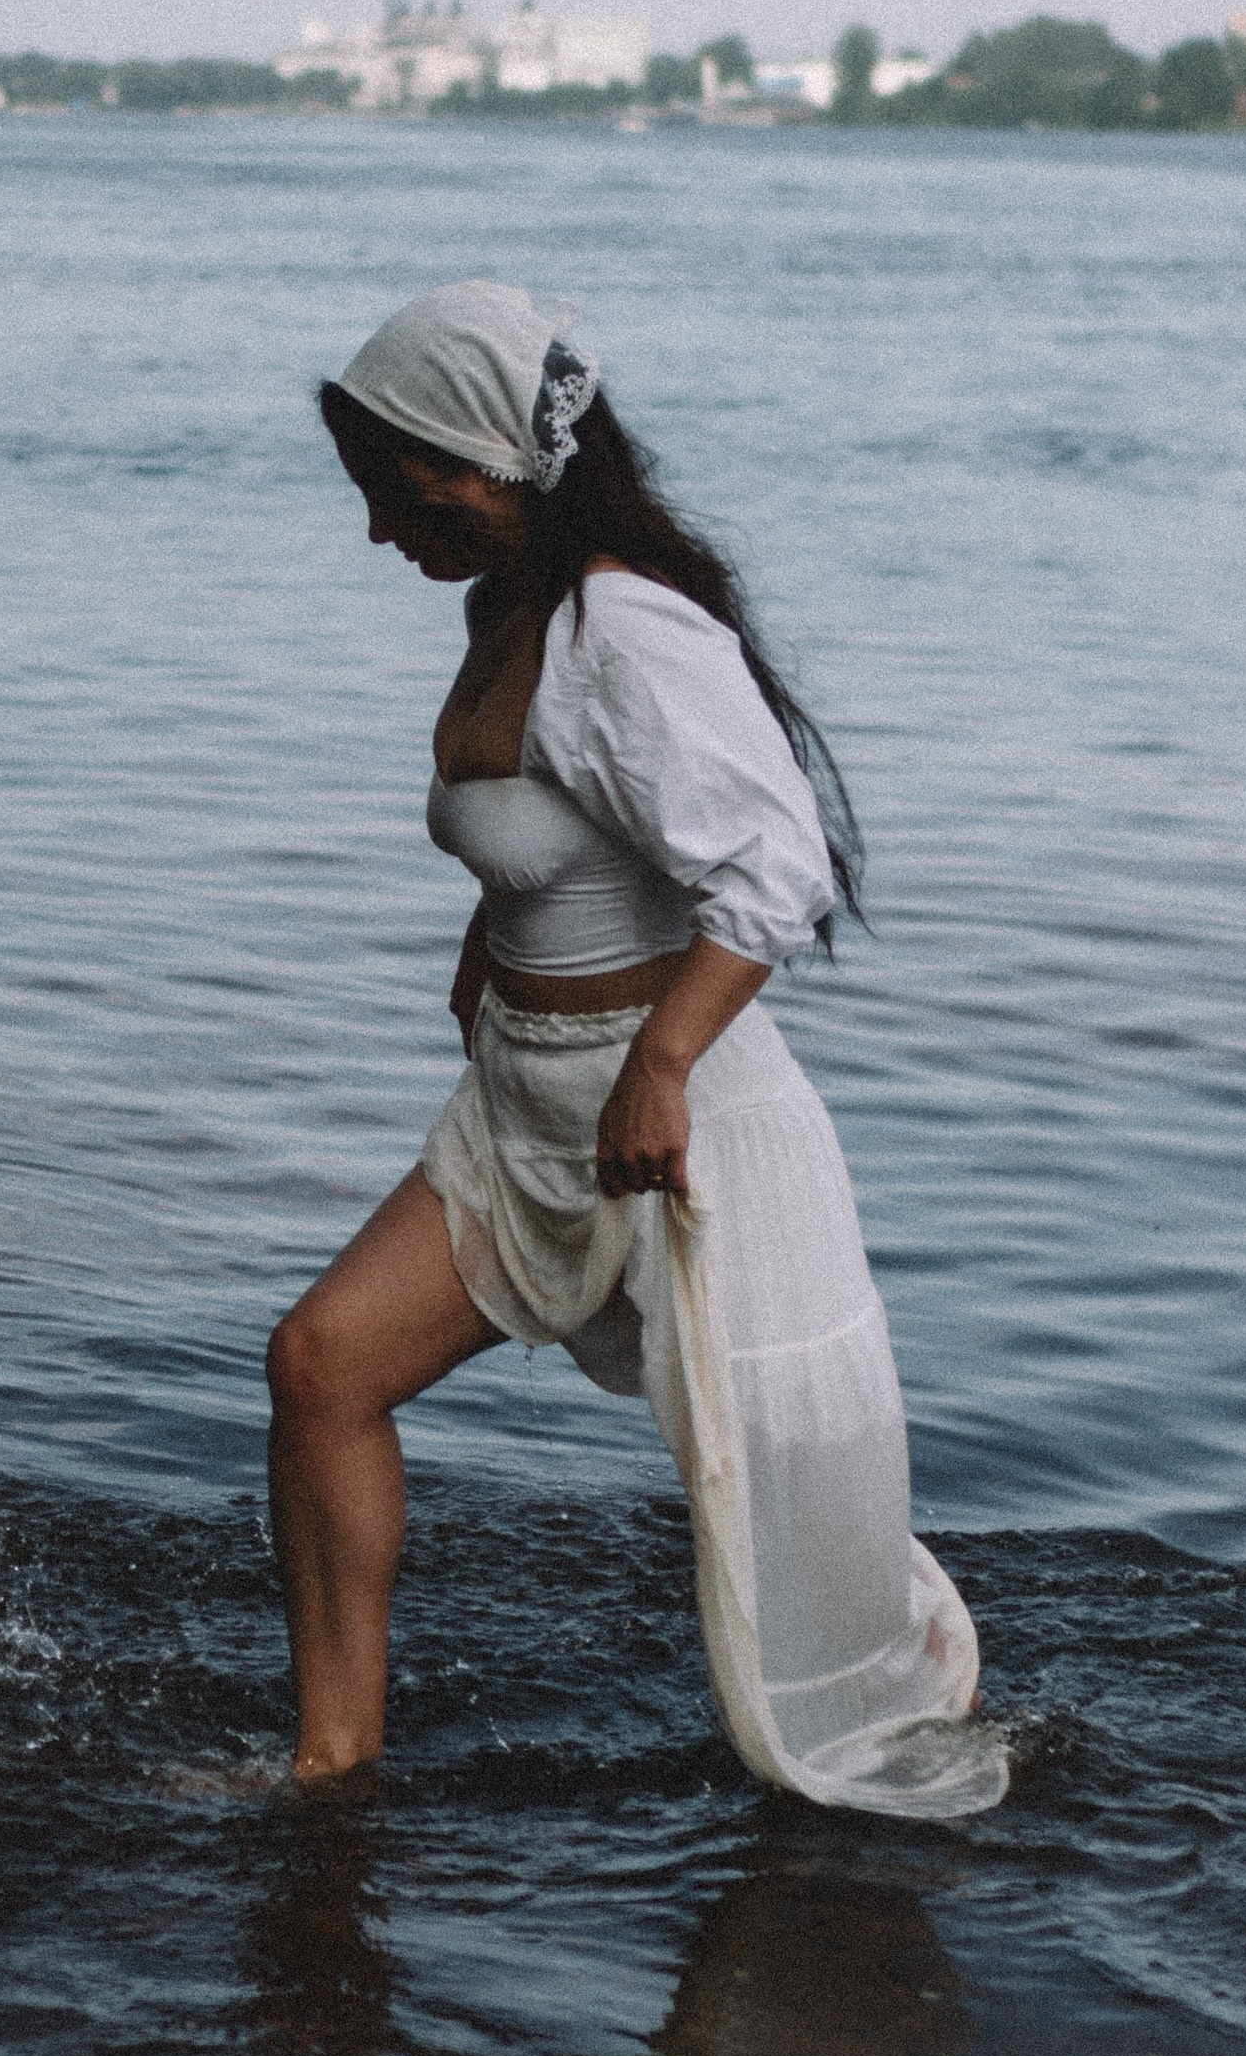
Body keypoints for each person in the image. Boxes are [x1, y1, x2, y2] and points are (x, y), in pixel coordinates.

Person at [267, 281, 1004, 1819]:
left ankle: (893, 1712)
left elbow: (777, 867)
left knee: (769, 1512)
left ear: (485, 466)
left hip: (673, 1125)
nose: (383, 531)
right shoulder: (513, 611)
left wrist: (661, 1063)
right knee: (322, 1368)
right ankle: (329, 1773)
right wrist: (497, 943)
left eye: (398, 494)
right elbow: (564, 833)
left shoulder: (623, 624)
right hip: (526, 1110)